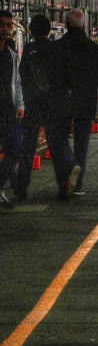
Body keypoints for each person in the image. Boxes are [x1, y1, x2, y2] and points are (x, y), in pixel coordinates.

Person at [18, 14, 77, 200]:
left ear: (31, 30)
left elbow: (22, 76)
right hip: (54, 105)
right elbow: (68, 78)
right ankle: (62, 186)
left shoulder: (28, 50)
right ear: (49, 30)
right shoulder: (57, 49)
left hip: (33, 104)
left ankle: (22, 187)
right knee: (56, 146)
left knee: (28, 146)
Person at [56, 8, 98, 195]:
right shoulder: (94, 49)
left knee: (59, 139)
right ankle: (77, 185)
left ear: (66, 24)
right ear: (83, 25)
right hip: (86, 102)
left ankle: (66, 177)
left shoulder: (57, 47)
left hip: (62, 101)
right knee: (82, 142)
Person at [0, 11, 27, 209]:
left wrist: (20, 105)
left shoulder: (11, 55)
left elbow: (17, 83)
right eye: (2, 24)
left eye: (9, 25)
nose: (5, 29)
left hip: (8, 111)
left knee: (17, 148)